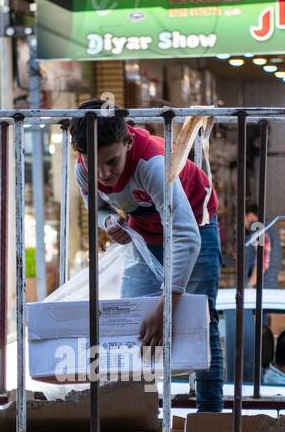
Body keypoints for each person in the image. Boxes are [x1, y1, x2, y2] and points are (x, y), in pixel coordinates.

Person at [69, 103, 224, 412]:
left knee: (200, 324)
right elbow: (97, 209)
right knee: (130, 324)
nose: (104, 173)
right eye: (94, 163)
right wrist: (109, 223)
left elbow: (186, 236)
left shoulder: (153, 163)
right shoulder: (82, 169)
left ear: (127, 141)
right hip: (145, 233)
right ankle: (136, 416)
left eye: (112, 161)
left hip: (196, 225)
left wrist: (165, 308)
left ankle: (210, 418)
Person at [245, 211, 271, 287]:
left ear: (250, 216)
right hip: (267, 286)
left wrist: (250, 285)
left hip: (260, 289)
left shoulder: (258, 232)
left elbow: (261, 263)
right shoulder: (267, 229)